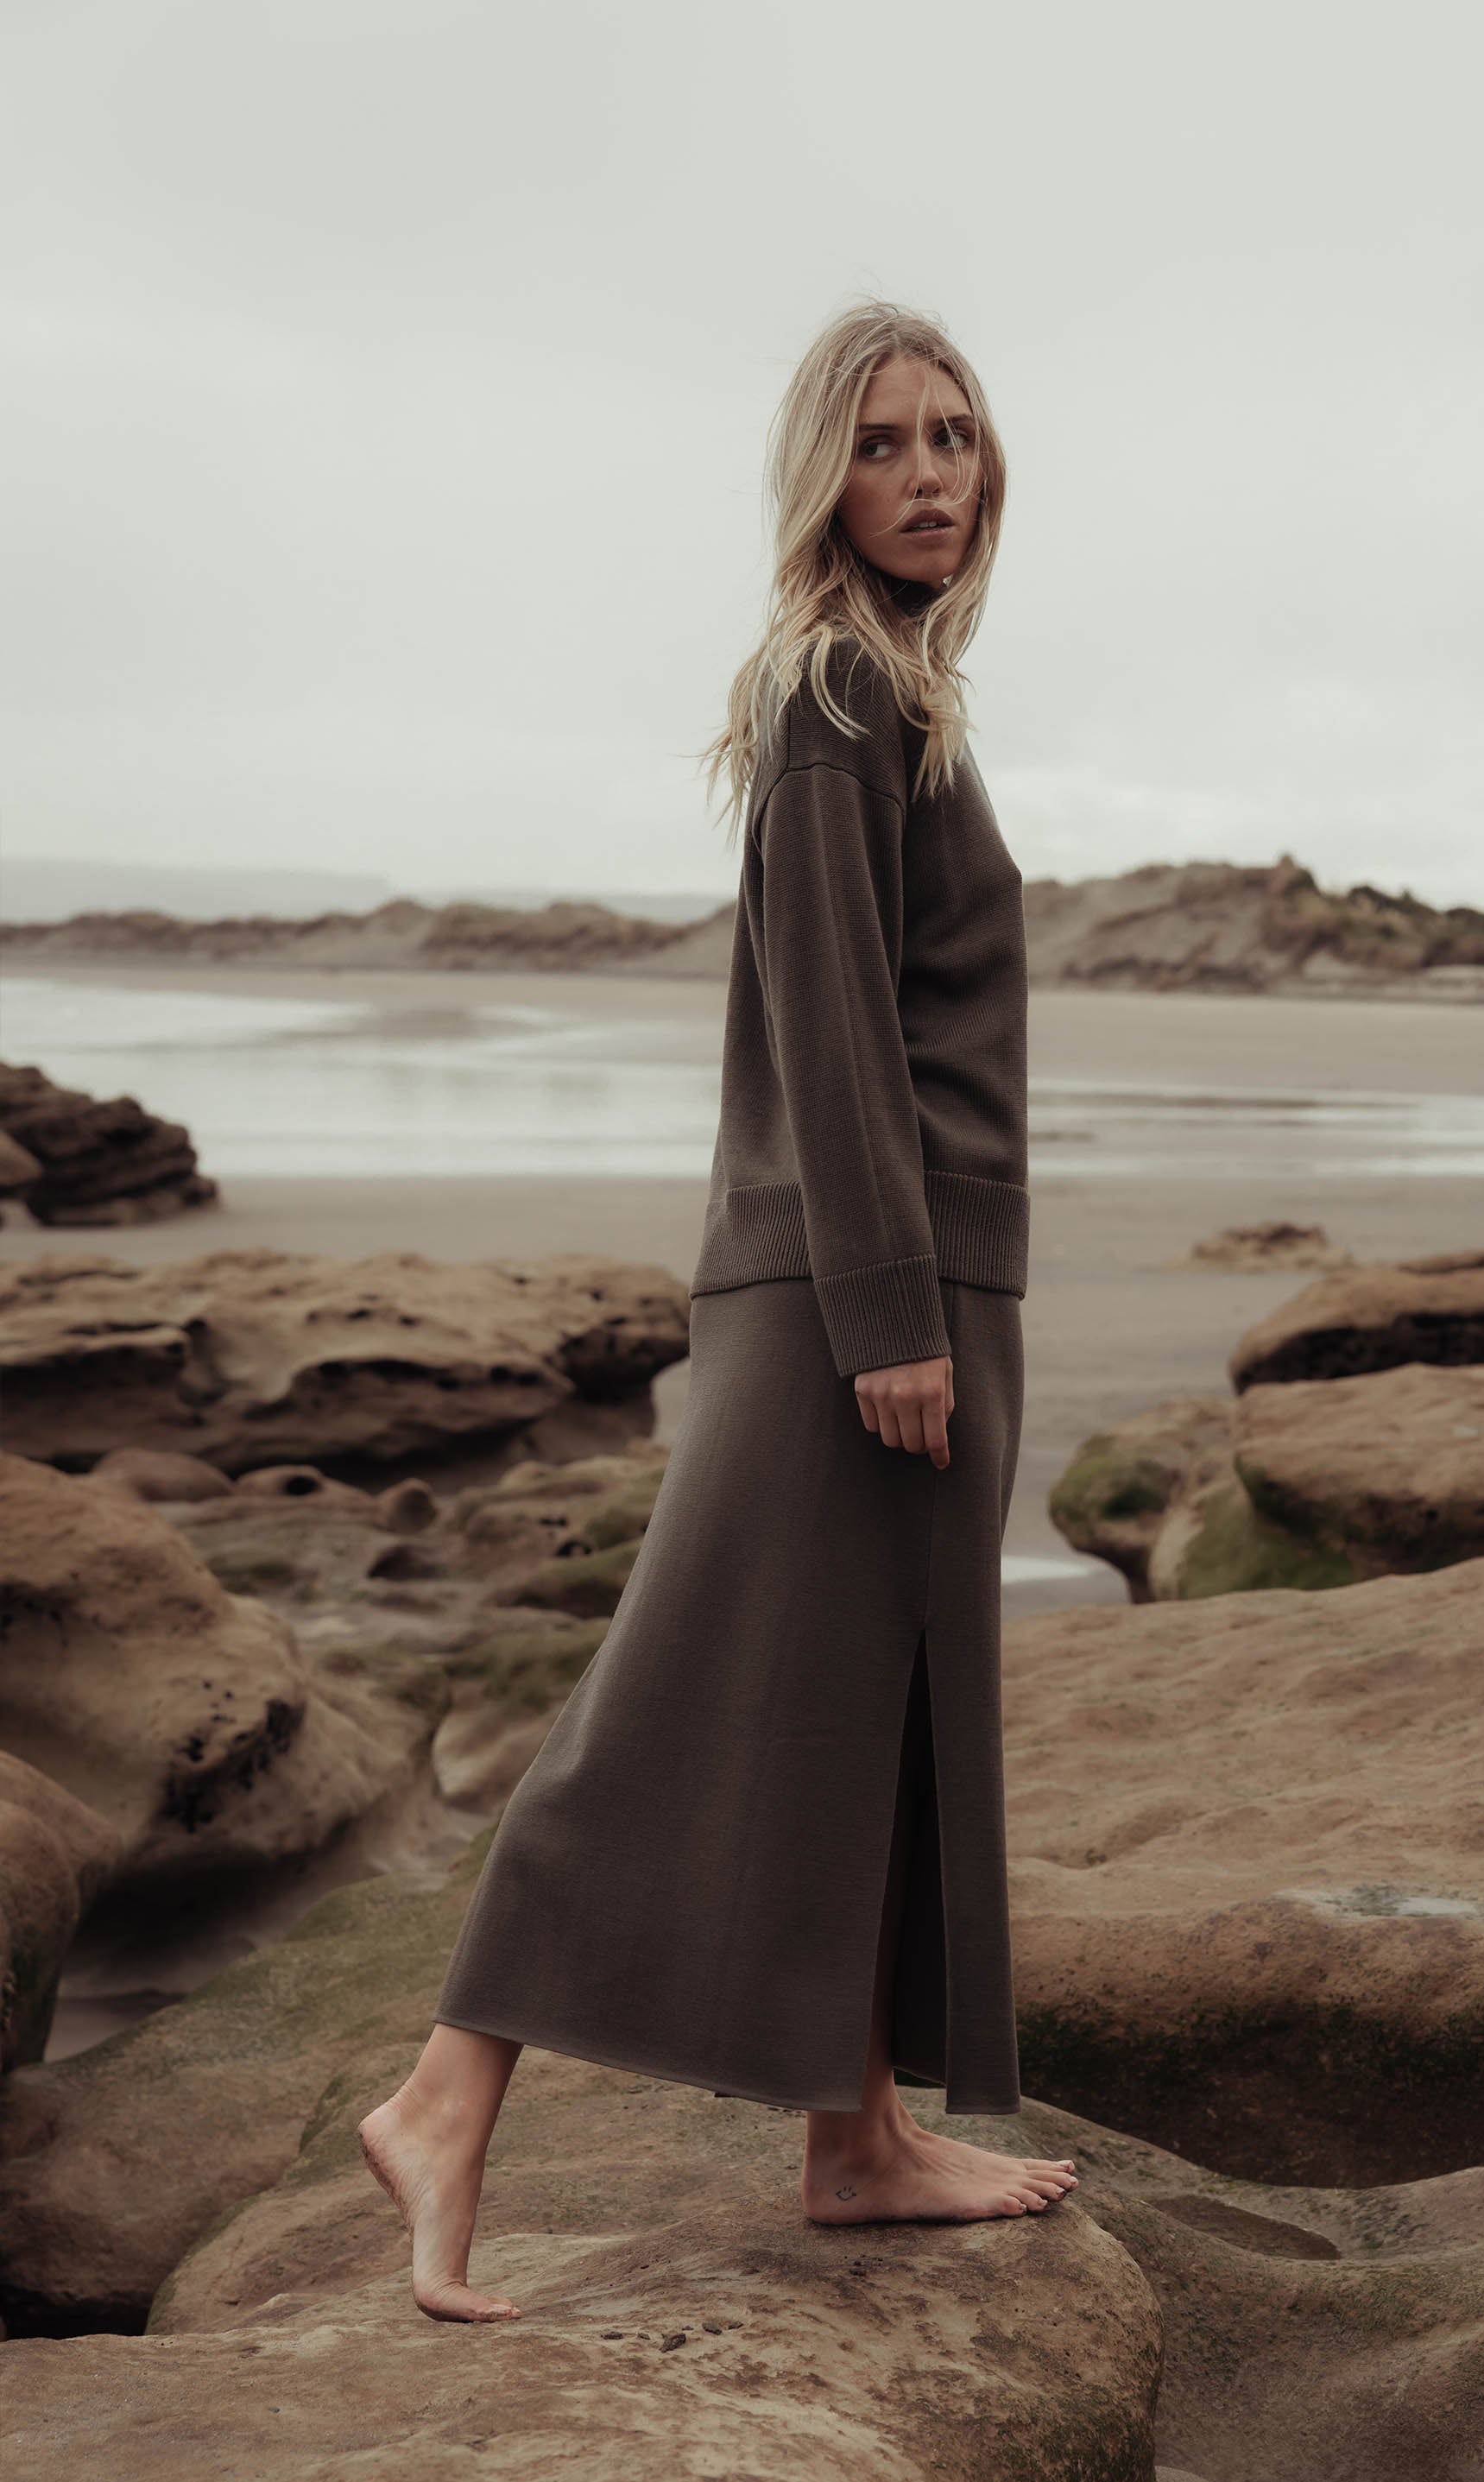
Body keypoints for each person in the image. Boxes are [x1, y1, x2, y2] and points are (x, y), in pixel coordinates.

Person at [358, 300, 1077, 2321]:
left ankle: (854, 2139)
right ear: (818, 483)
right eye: (882, 446)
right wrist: (885, 1313)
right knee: (682, 1704)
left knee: (880, 1714)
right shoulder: (834, 690)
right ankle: (443, 2093)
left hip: (915, 1273)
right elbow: (839, 1026)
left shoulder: (898, 692)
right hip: (865, 1289)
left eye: (953, 434)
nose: (929, 474)